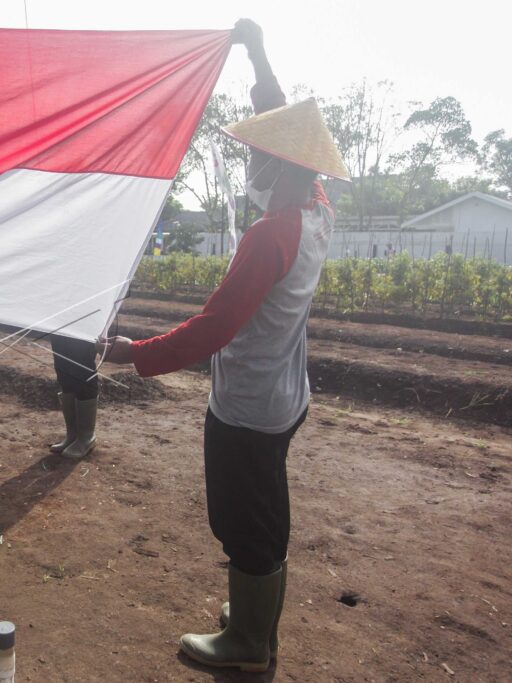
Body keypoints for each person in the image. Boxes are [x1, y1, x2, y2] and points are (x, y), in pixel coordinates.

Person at [100, 19, 350, 671]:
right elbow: (283, 117)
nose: (251, 161)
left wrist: (133, 352)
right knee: (266, 507)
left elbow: (215, 329)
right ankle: (253, 617)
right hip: (285, 395)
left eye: (258, 154)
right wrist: (258, 53)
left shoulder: (269, 236)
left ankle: (248, 644)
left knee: (246, 520)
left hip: (247, 403)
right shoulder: (316, 208)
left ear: (281, 163)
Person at [47, 335, 99, 459]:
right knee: (63, 369)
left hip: (85, 323)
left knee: (82, 369)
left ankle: (86, 437)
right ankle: (73, 435)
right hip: (61, 320)